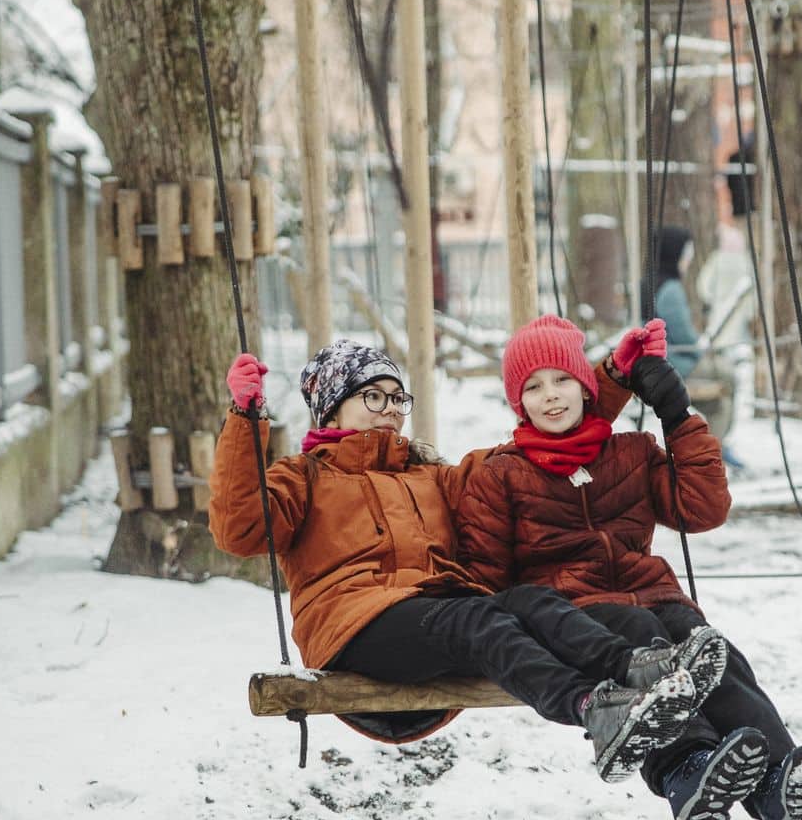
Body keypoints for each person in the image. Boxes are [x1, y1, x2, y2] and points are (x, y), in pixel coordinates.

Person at [208, 335, 728, 784]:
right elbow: (240, 527)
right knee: (475, 614)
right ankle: (592, 708)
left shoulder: (432, 476)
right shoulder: (303, 478)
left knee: (528, 600)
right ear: (333, 409)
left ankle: (635, 672)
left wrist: (606, 381)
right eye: (372, 396)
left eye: (397, 397)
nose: (390, 409)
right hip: (351, 626)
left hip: (436, 620)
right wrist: (245, 420)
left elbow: (535, 452)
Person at [454, 314, 802, 820]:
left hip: (654, 594)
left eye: (562, 380)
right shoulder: (501, 474)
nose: (550, 397)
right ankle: (688, 769)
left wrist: (677, 416)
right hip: (574, 611)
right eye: (532, 388)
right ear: (518, 403)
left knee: (713, 654)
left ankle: (779, 789)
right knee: (642, 635)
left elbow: (703, 508)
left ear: (587, 388)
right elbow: (485, 575)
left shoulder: (630, 452)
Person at [648, 225, 702, 380]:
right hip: (669, 363)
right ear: (674, 254)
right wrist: (701, 350)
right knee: (728, 373)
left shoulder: (646, 283)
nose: (688, 262)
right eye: (685, 256)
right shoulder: (670, 289)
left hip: (650, 362)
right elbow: (683, 336)